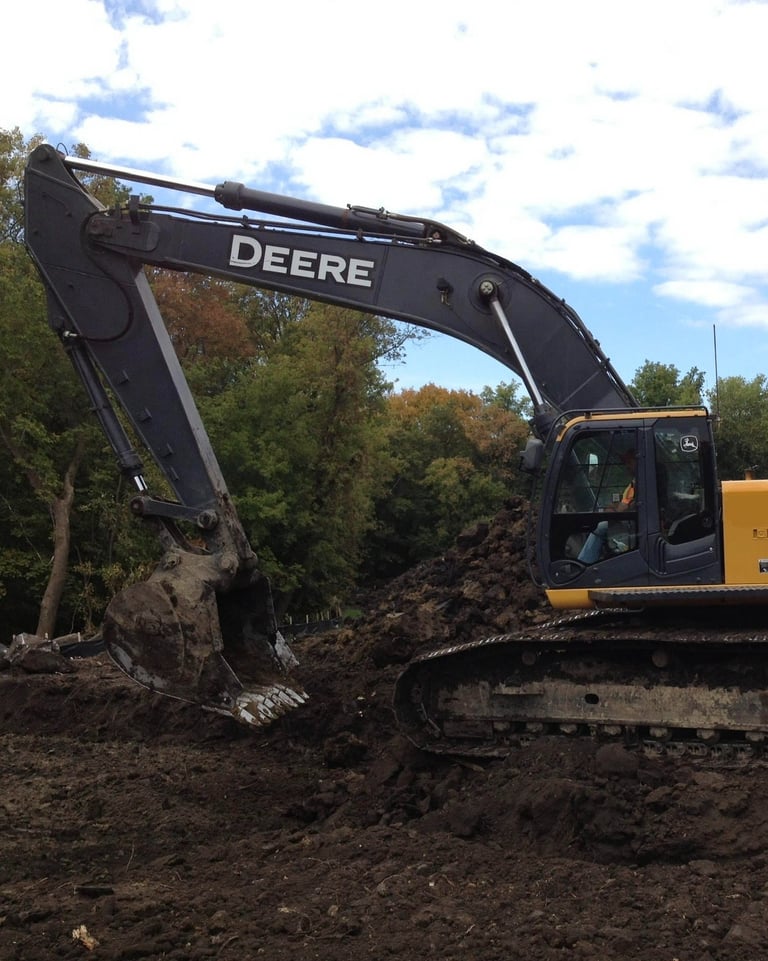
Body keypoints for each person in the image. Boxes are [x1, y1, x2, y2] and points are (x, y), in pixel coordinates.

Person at [577, 448, 637, 563]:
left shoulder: (640, 483)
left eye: (629, 462)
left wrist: (613, 509)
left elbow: (625, 508)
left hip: (629, 523)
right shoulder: (634, 482)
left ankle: (583, 563)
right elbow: (623, 503)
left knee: (599, 527)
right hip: (627, 520)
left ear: (637, 461)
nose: (627, 466)